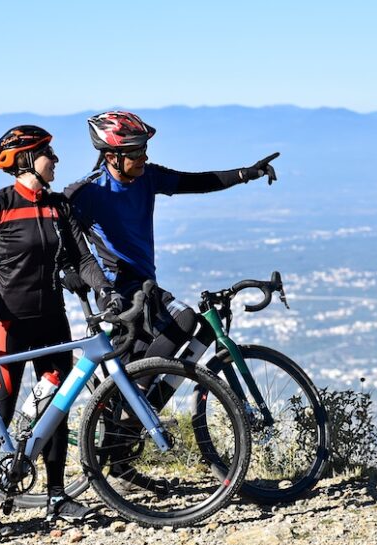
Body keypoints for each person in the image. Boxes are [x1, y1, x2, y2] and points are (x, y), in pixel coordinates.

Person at [0, 125, 117, 540]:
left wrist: (105, 291)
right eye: (49, 154)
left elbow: (82, 258)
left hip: (52, 322)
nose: (57, 161)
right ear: (28, 160)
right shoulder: (0, 204)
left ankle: (56, 497)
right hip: (7, 323)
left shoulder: (57, 206)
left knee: (56, 408)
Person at [65, 110, 279, 364]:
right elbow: (59, 230)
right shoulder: (87, 191)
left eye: (145, 148)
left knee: (141, 359)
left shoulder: (147, 177)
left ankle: (136, 400)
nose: (144, 156)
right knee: (184, 320)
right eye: (135, 152)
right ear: (111, 157)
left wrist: (246, 174)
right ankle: (139, 399)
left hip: (145, 284)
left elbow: (197, 182)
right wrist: (68, 268)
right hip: (117, 291)